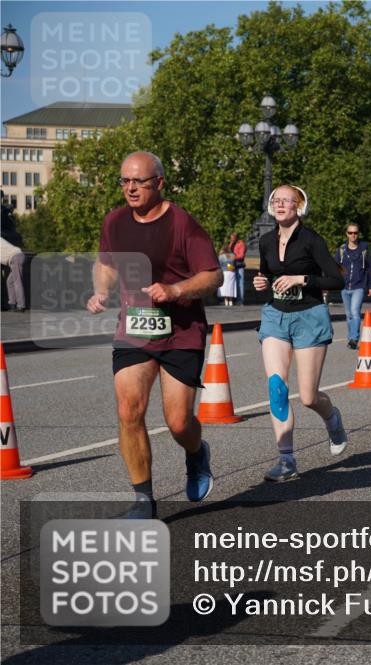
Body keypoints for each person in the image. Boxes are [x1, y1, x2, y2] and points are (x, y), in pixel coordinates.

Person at [86, 151, 221, 518]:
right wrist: (101, 290)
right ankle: (143, 499)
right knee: (129, 409)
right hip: (134, 328)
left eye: (139, 182)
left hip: (181, 330)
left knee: (178, 421)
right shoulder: (114, 221)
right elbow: (106, 263)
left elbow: (213, 275)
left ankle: (196, 452)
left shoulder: (182, 224)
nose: (130, 188)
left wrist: (175, 291)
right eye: (124, 181)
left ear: (159, 183)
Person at [253, 185, 347, 482]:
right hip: (275, 316)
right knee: (277, 388)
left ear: (299, 206)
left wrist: (302, 278)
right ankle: (286, 460)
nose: (280, 205)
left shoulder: (312, 240)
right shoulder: (266, 241)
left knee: (308, 397)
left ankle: (332, 419)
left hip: (309, 317)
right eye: (276, 200)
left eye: (287, 201)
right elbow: (267, 275)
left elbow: (335, 279)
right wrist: (262, 282)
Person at [335, 223, 371, 350]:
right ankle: (351, 338)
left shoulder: (364, 250)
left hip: (359, 286)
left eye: (355, 233)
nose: (353, 235)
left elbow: (369, 269)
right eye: (350, 233)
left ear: (358, 234)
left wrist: (370, 286)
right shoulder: (341, 250)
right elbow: (336, 268)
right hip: (344, 287)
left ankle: (354, 338)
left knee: (355, 312)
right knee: (348, 314)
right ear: (346, 234)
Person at [1, 235, 26, 312]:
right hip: (16, 257)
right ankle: (12, 304)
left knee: (17, 282)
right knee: (10, 282)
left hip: (15, 257)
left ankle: (21, 305)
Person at [225, 232, 247, 305]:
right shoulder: (231, 243)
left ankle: (240, 300)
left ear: (236, 237)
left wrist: (232, 257)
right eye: (231, 237)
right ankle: (232, 299)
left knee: (240, 283)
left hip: (239, 265)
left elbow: (241, 255)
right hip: (231, 265)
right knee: (231, 283)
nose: (232, 239)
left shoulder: (241, 244)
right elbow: (228, 252)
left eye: (233, 237)